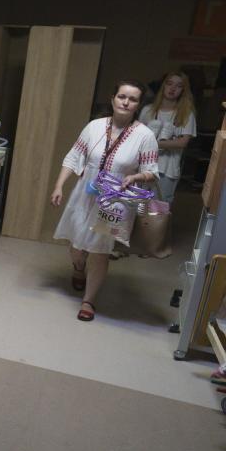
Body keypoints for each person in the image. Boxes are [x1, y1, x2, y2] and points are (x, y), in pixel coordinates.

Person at [50, 80, 159, 322]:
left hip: (116, 200)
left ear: (138, 105)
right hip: (84, 195)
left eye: (132, 99)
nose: (126, 102)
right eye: (122, 96)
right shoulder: (94, 127)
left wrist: (136, 175)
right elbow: (74, 156)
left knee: (100, 251)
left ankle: (89, 300)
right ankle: (78, 267)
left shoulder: (145, 136)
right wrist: (59, 186)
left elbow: (153, 171)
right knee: (77, 245)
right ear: (113, 99)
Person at [139, 72, 197, 203]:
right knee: (138, 204)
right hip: (144, 166)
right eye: (169, 83)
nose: (172, 88)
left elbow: (183, 142)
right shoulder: (148, 110)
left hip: (167, 170)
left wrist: (154, 144)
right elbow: (137, 137)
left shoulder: (186, 114)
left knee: (159, 209)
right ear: (163, 86)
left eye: (179, 86)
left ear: (183, 90)